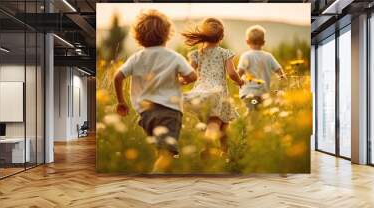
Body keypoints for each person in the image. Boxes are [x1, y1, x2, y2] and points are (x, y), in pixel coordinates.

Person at [113, 10, 197, 171]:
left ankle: (162, 177)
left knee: (161, 149)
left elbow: (117, 77)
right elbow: (192, 76)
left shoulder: (136, 57)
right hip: (169, 112)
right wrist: (180, 81)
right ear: (167, 34)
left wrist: (121, 102)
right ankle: (156, 178)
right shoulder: (174, 57)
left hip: (146, 114)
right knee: (168, 153)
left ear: (138, 36)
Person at [181, 18, 244, 154]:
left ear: (202, 36)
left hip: (201, 93)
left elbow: (189, 74)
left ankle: (224, 154)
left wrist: (181, 81)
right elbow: (232, 73)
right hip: (218, 93)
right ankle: (209, 147)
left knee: (218, 122)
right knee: (217, 123)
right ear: (221, 37)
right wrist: (239, 82)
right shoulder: (224, 53)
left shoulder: (197, 54)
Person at [238, 25, 286, 111]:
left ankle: (249, 122)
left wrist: (238, 81)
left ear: (247, 41)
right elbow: (279, 71)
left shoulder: (246, 56)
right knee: (258, 113)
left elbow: (240, 71)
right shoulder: (269, 56)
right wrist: (282, 84)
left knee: (251, 111)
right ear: (264, 42)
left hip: (248, 93)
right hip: (263, 94)